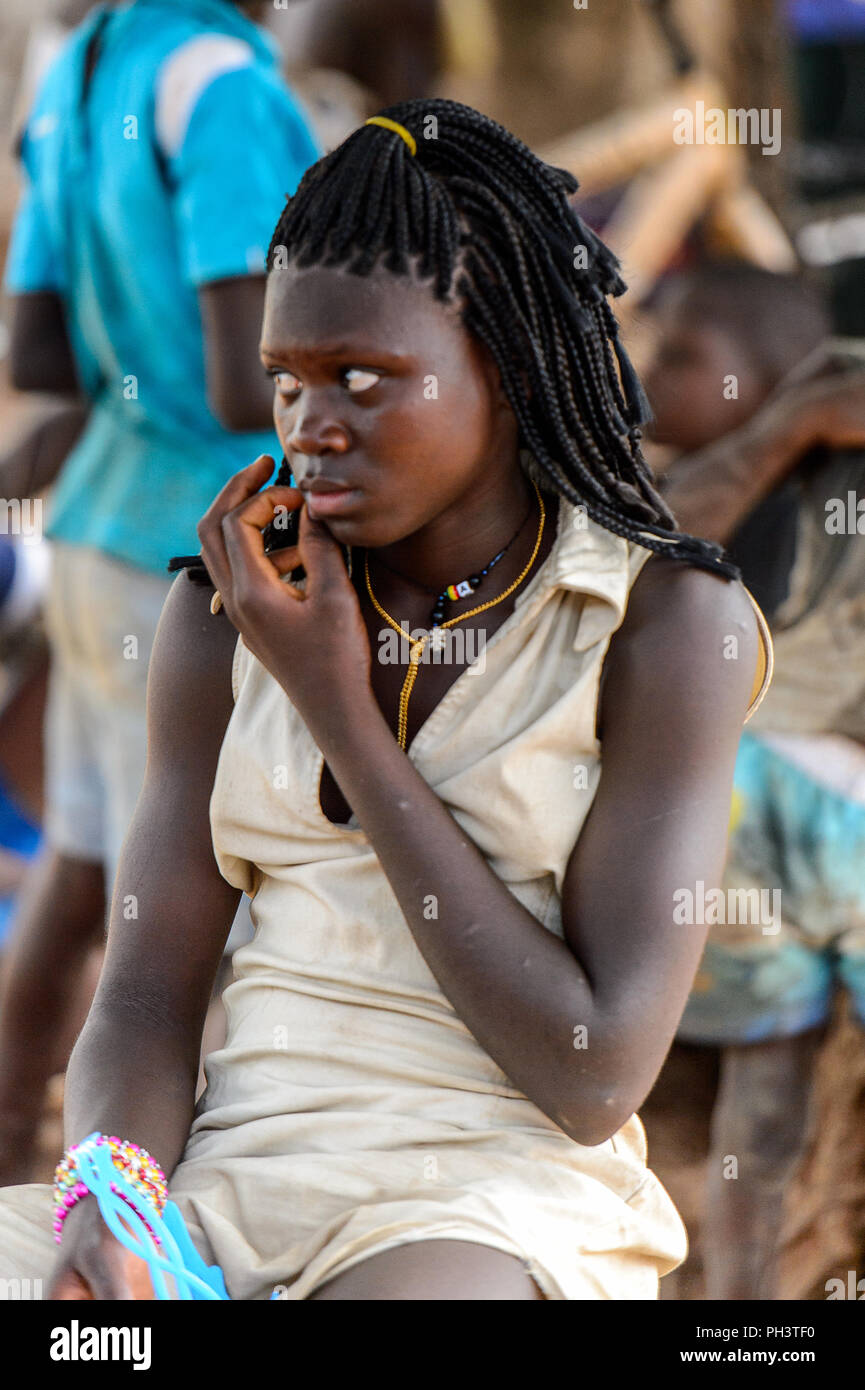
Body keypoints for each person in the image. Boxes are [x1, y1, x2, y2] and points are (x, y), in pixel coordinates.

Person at [0, 100, 770, 1301]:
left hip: (489, 1199)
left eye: (363, 375)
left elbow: (592, 1071)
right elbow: (149, 989)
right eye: (286, 380)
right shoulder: (221, 619)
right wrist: (111, 1197)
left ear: (508, 369)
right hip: (224, 1185)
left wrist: (337, 708)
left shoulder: (660, 629)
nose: (312, 425)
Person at [0, 0, 320, 1184]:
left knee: (90, 869)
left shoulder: (82, 71)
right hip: (199, 553)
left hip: (96, 522)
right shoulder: (225, 83)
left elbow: (37, 355)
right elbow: (254, 381)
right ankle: (181, 1215)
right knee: (206, 917)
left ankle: (11, 1159)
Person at [642, 259, 865, 1300]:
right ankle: (744, 1312)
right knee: (762, 1099)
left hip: (791, 813)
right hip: (746, 822)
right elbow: (644, 552)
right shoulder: (724, 469)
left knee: (766, 1102)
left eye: (681, 355)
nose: (648, 378)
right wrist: (784, 430)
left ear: (776, 366)